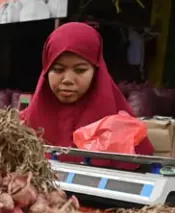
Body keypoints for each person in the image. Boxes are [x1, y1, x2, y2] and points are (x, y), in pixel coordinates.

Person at [21, 22, 154, 170]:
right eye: (58, 70)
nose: (68, 80)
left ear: (96, 71)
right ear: (46, 71)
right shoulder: (22, 126)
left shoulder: (121, 126)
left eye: (80, 70)